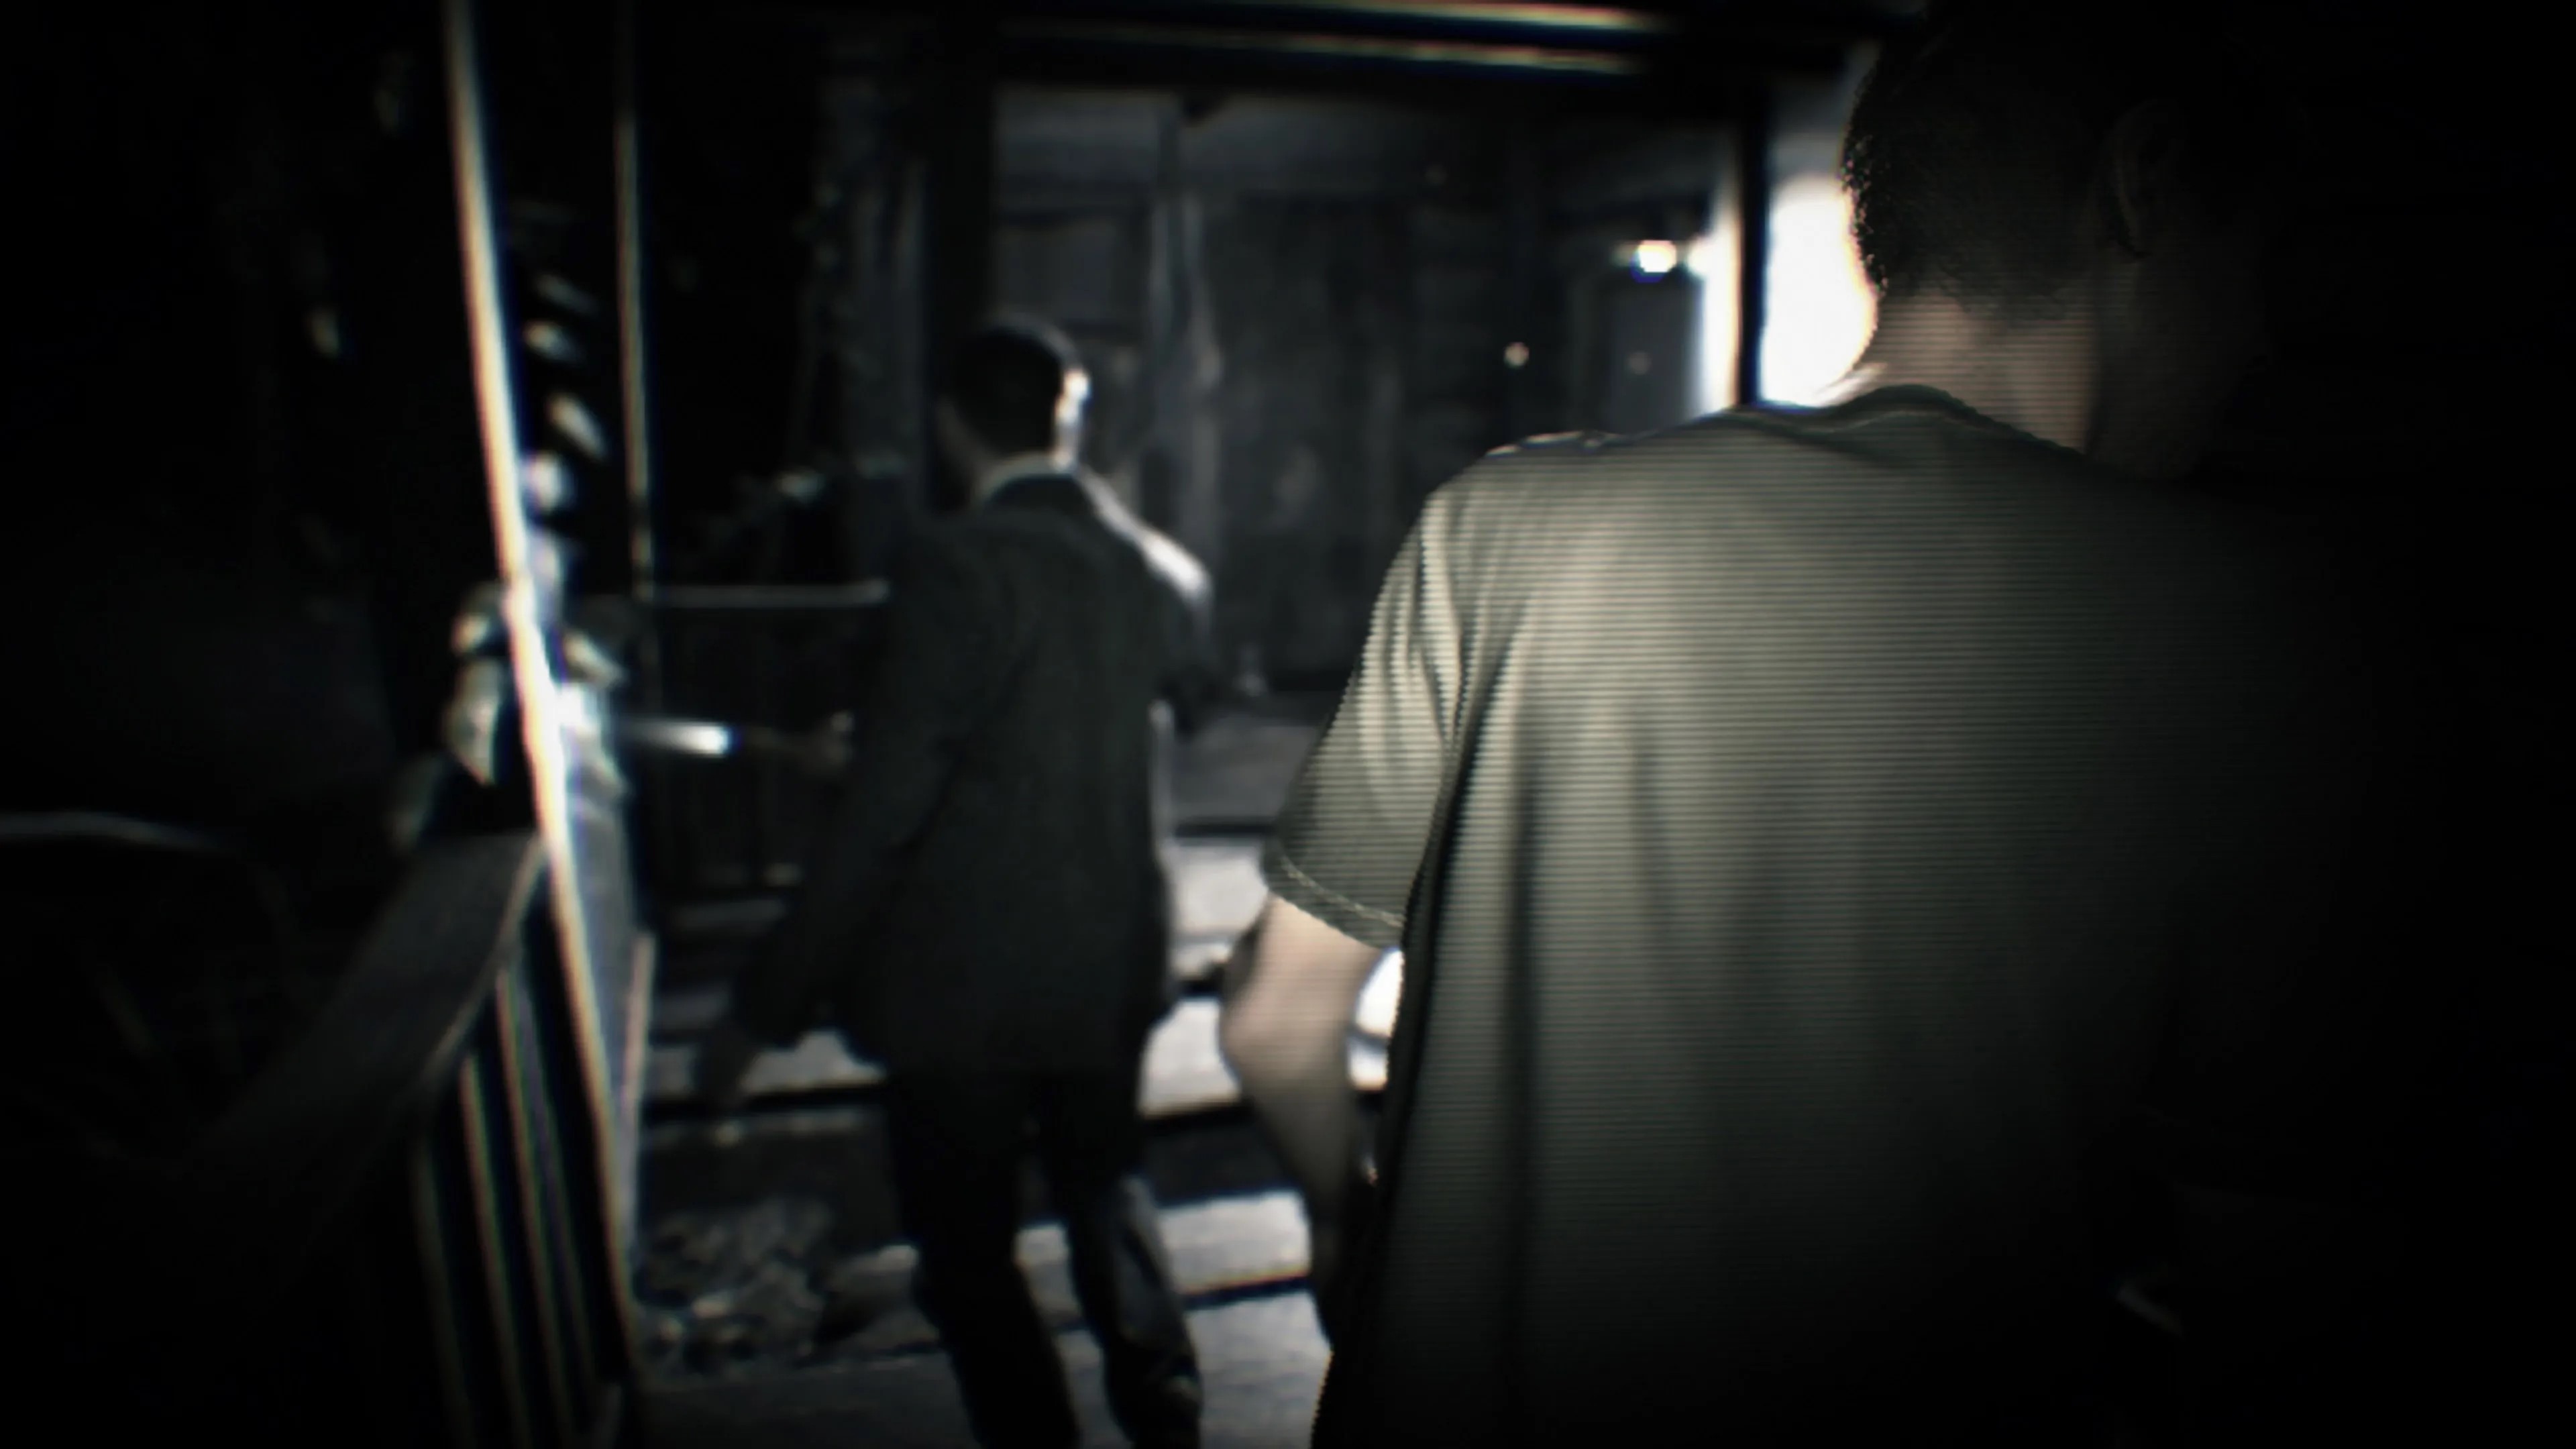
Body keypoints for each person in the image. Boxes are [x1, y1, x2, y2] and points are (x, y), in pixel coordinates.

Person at [1216, 3, 2477, 1444]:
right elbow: (2295, 1285)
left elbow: (1273, 1023)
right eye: (2258, 261)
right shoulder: (2281, 638)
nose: (2259, 337)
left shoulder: (1505, 526)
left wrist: (1347, 1218)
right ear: (2146, 185)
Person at [698, 317, 1216, 1449]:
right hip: (1110, 956)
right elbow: (1150, 712)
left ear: (949, 424)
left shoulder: (951, 565)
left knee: (966, 1248)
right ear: (1069, 426)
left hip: (964, 980)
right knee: (1107, 1188)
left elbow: (890, 808)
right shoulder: (1163, 572)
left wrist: (764, 1006)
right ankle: (1168, 1410)